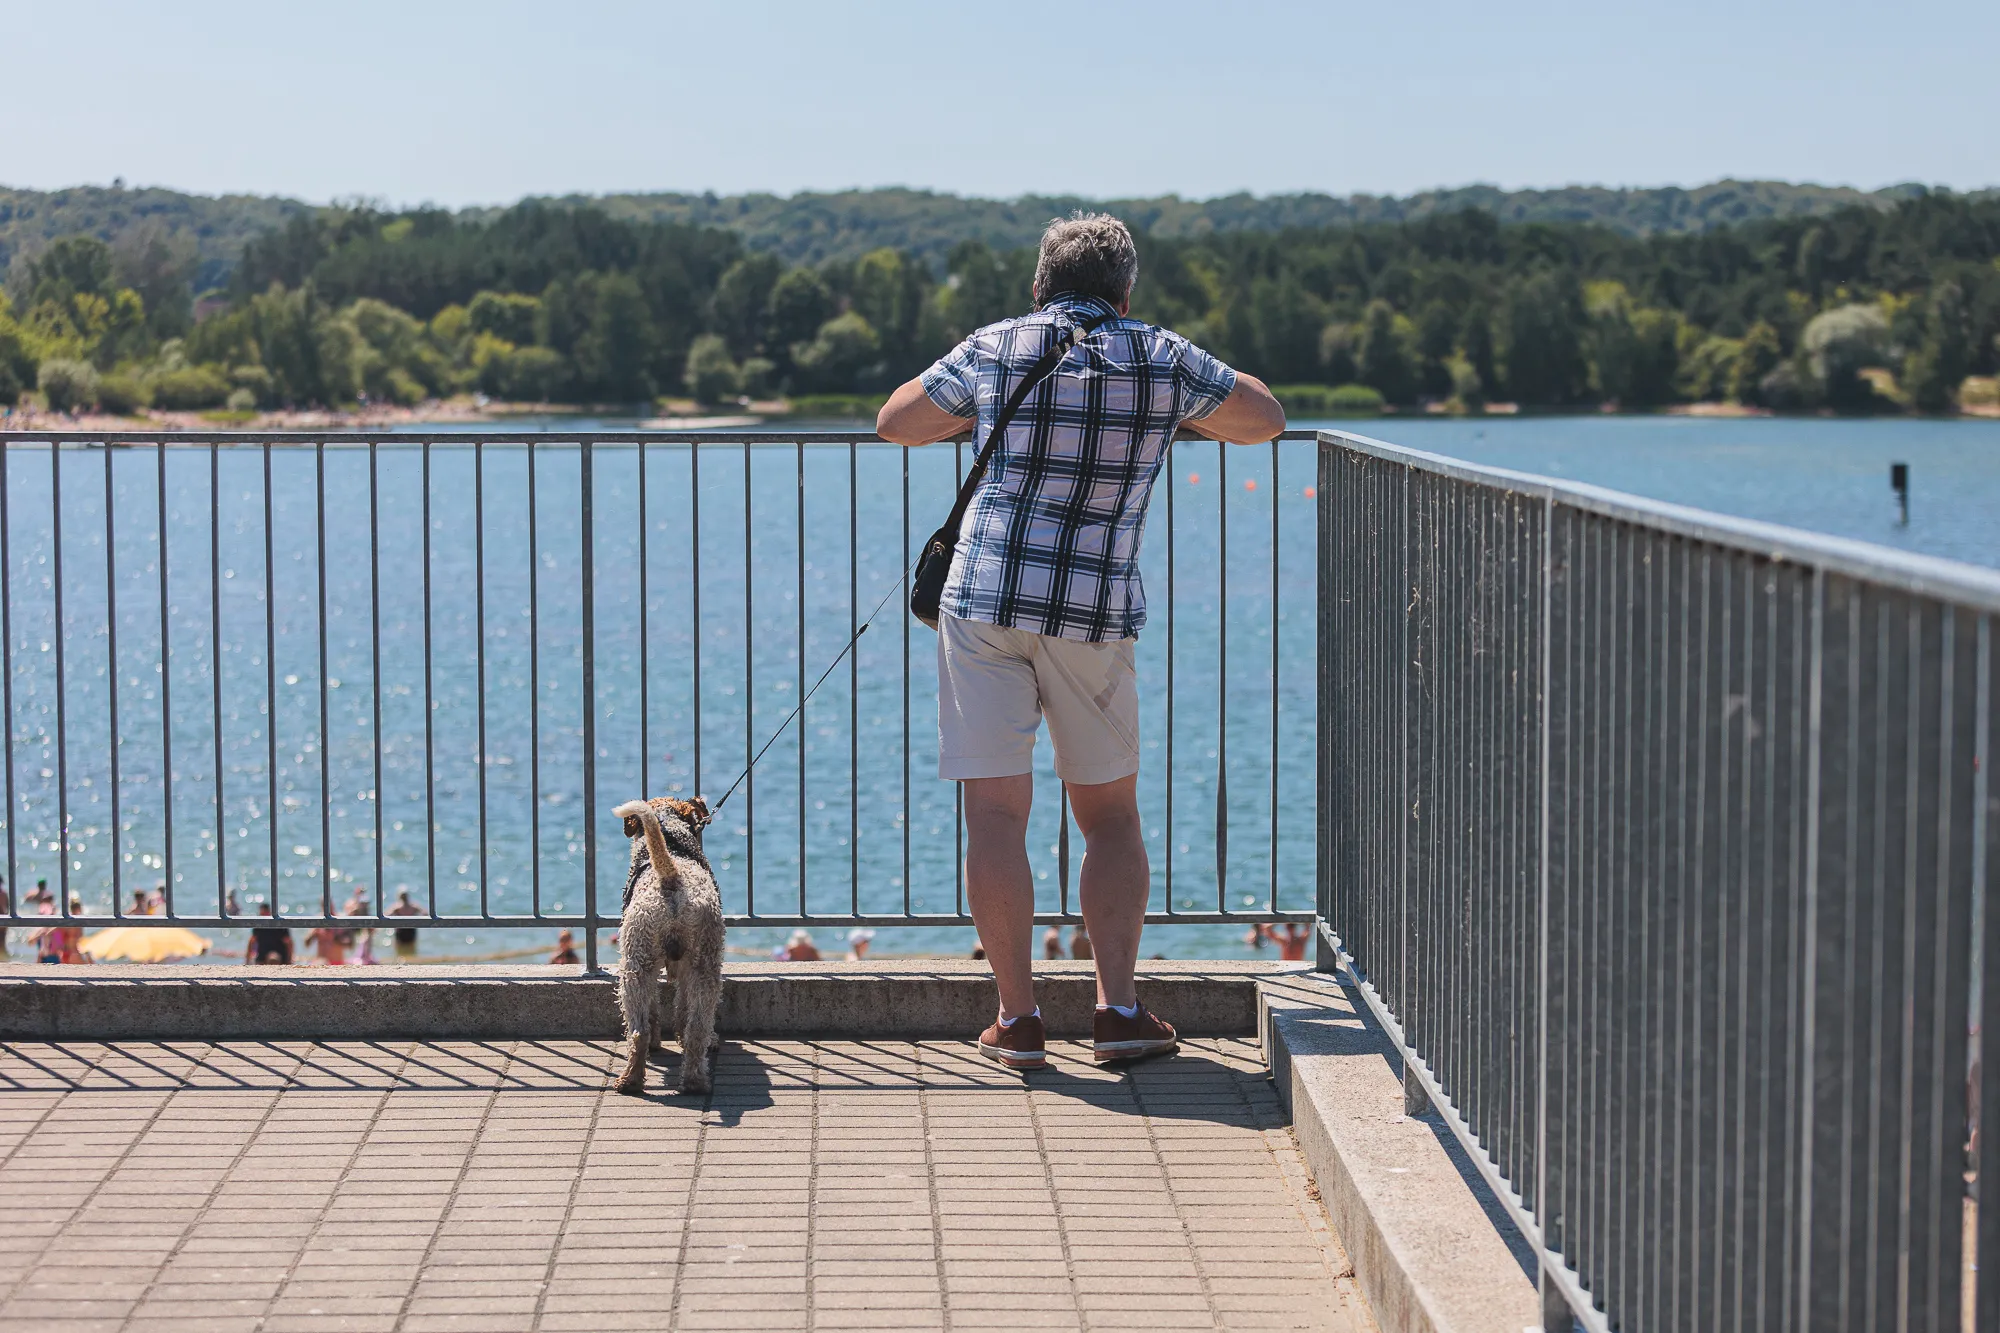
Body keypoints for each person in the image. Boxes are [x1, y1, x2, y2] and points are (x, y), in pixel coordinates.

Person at [878, 213, 1284, 1070]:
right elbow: (1266, 418)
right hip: (1092, 609)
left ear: (1039, 284)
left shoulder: (998, 343)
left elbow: (896, 421)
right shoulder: (1161, 353)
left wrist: (984, 414)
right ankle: (1118, 1012)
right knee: (1109, 816)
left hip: (984, 598)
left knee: (994, 814)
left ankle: (1018, 1020)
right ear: (1126, 290)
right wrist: (1177, 413)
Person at [388, 888, 422, 960]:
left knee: (399, 948)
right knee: (411, 947)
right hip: (411, 930)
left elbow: (386, 915)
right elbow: (425, 913)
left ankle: (400, 960)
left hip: (400, 930)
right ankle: (411, 960)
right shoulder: (413, 906)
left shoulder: (396, 907)